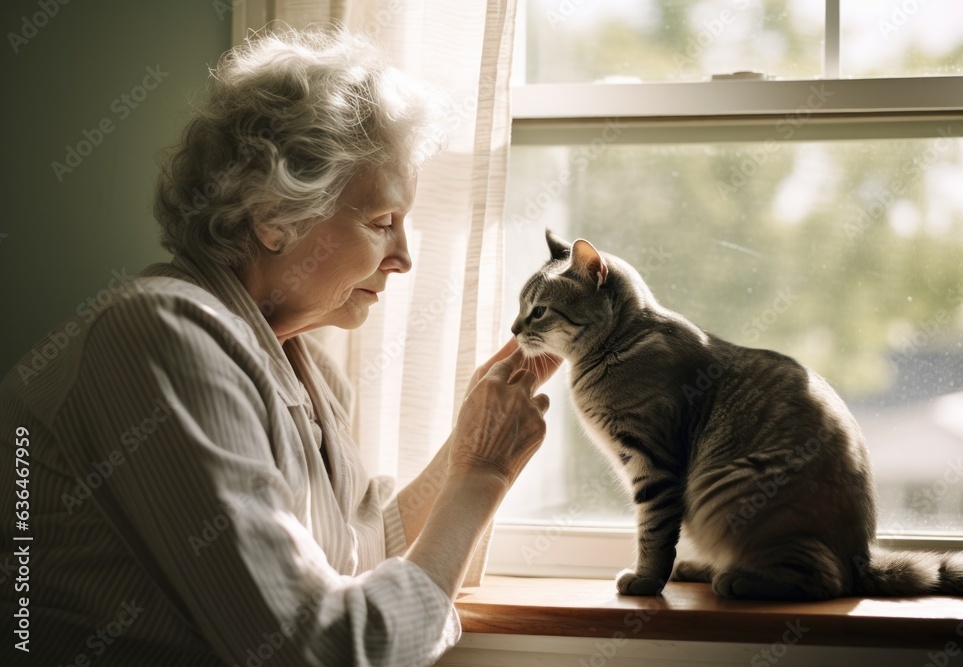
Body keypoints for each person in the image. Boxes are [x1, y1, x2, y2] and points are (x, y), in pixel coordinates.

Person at [0, 28, 559, 666]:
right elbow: (314, 649)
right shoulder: (159, 336)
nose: (403, 257)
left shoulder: (300, 362)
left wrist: (469, 447)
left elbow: (359, 543)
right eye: (382, 223)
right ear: (273, 216)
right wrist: (482, 478)